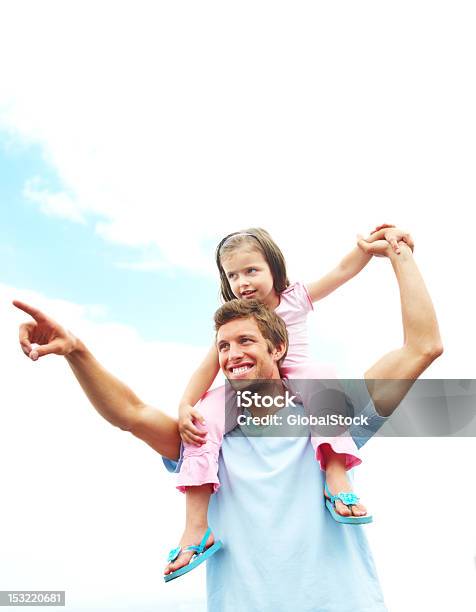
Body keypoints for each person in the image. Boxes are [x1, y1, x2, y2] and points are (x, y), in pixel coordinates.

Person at [13, 233, 442, 611]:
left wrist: (398, 252)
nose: (233, 354)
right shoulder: (206, 436)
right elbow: (131, 414)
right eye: (223, 347)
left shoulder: (328, 412)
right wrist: (76, 351)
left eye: (246, 341)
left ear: (278, 349)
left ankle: (338, 484)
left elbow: (422, 347)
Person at [168, 224, 414, 577]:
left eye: (251, 270)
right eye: (233, 275)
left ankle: (336, 474)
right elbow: (207, 369)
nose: (243, 282)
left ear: (273, 268)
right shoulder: (236, 319)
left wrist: (365, 249)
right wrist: (186, 404)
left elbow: (341, 272)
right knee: (203, 422)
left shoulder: (294, 298)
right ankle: (196, 526)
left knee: (324, 384)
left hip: (297, 375)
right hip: (247, 388)